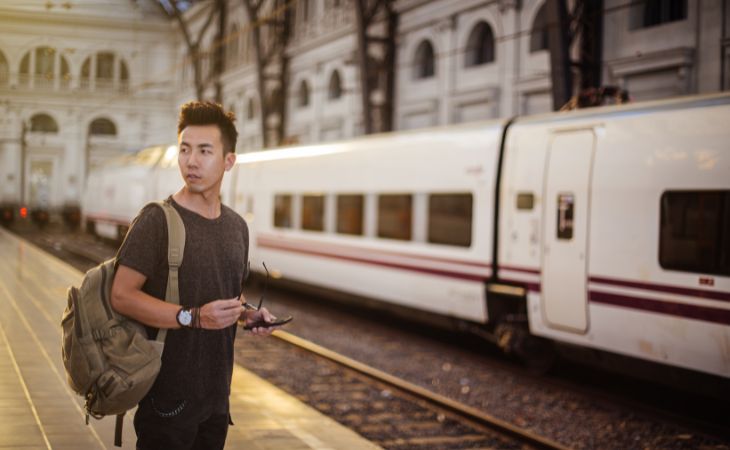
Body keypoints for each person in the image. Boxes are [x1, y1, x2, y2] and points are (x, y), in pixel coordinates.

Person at [110, 101, 276, 450]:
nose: (191, 161)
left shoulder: (236, 228)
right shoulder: (156, 221)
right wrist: (194, 317)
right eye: (184, 150)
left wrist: (247, 315)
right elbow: (122, 295)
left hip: (217, 400)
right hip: (166, 400)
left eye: (204, 151)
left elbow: (224, 294)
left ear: (228, 161)